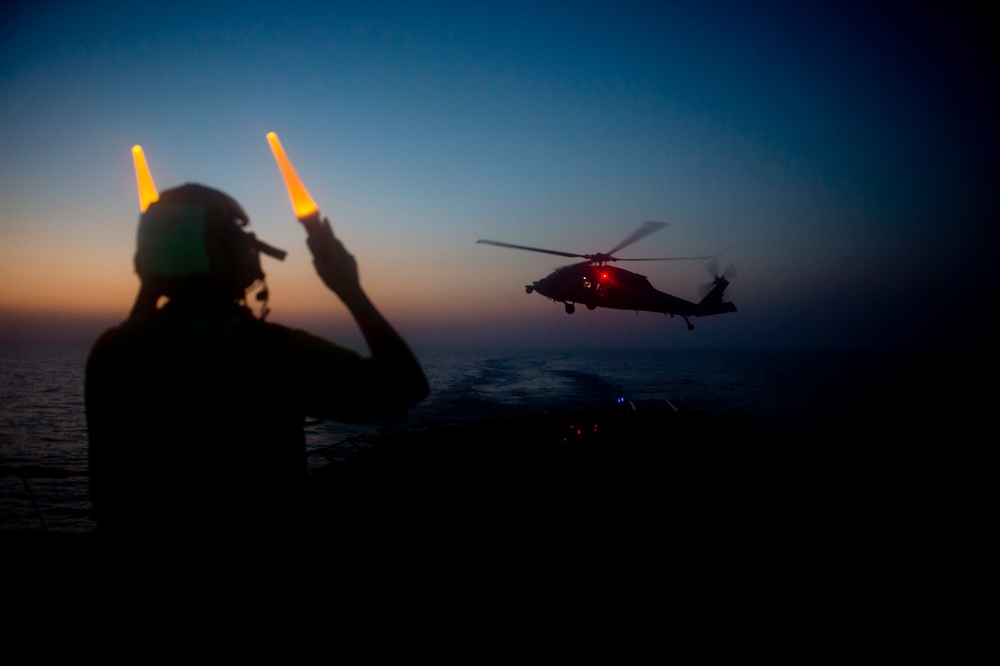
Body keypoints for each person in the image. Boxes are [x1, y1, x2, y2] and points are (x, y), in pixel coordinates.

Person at [85, 183, 428, 582]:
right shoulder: (273, 353)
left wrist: (154, 278)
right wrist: (349, 288)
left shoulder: (111, 353)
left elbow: (140, 334)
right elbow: (406, 388)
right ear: (232, 253)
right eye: (242, 241)